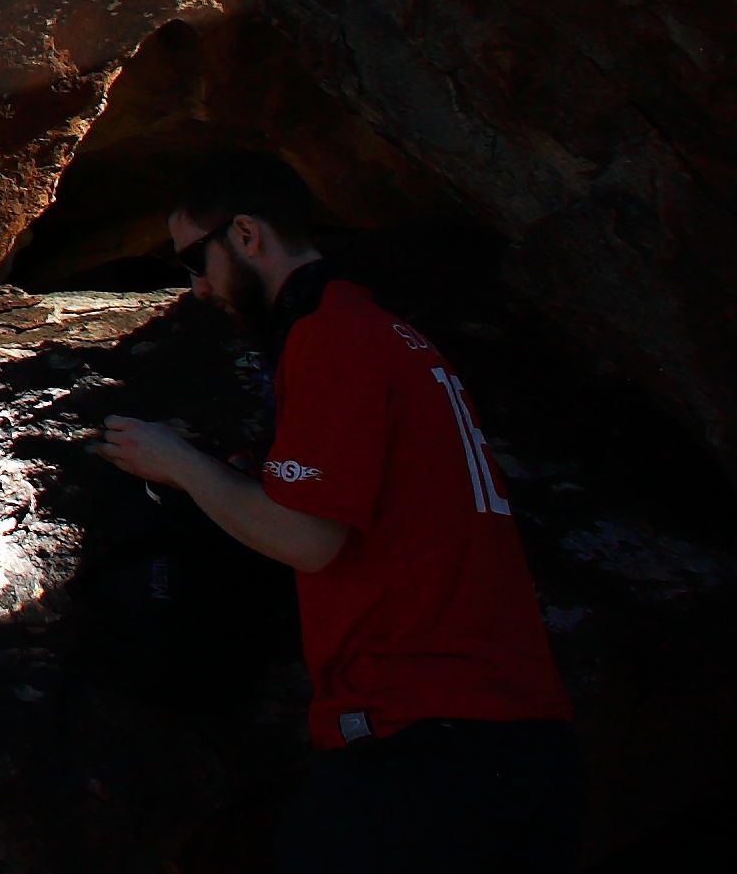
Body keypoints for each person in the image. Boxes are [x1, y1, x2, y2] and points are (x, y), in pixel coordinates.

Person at [101, 153, 577, 873]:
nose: (196, 288)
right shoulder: (390, 334)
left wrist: (179, 464)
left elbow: (307, 537)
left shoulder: (331, 339)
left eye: (195, 262)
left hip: (421, 738)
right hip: (509, 731)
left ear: (247, 235)